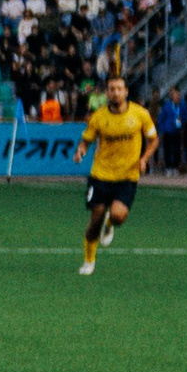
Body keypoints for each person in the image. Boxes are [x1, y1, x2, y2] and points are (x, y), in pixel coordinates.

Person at [71, 74, 158, 275]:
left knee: (119, 216)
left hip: (127, 176)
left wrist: (144, 159)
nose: (115, 93)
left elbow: (154, 140)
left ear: (126, 92)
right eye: (112, 89)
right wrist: (81, 151)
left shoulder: (140, 114)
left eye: (119, 89)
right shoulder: (99, 117)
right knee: (95, 219)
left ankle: (110, 223)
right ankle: (89, 261)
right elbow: (86, 141)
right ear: (107, 93)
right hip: (101, 175)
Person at [155, 86, 187, 174]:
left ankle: (175, 167)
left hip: (177, 131)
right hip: (168, 131)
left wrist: (183, 121)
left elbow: (186, 116)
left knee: (177, 150)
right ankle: (168, 167)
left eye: (178, 96)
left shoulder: (182, 105)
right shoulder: (167, 105)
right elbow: (161, 118)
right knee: (167, 150)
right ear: (172, 97)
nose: (177, 97)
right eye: (175, 96)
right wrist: (163, 128)